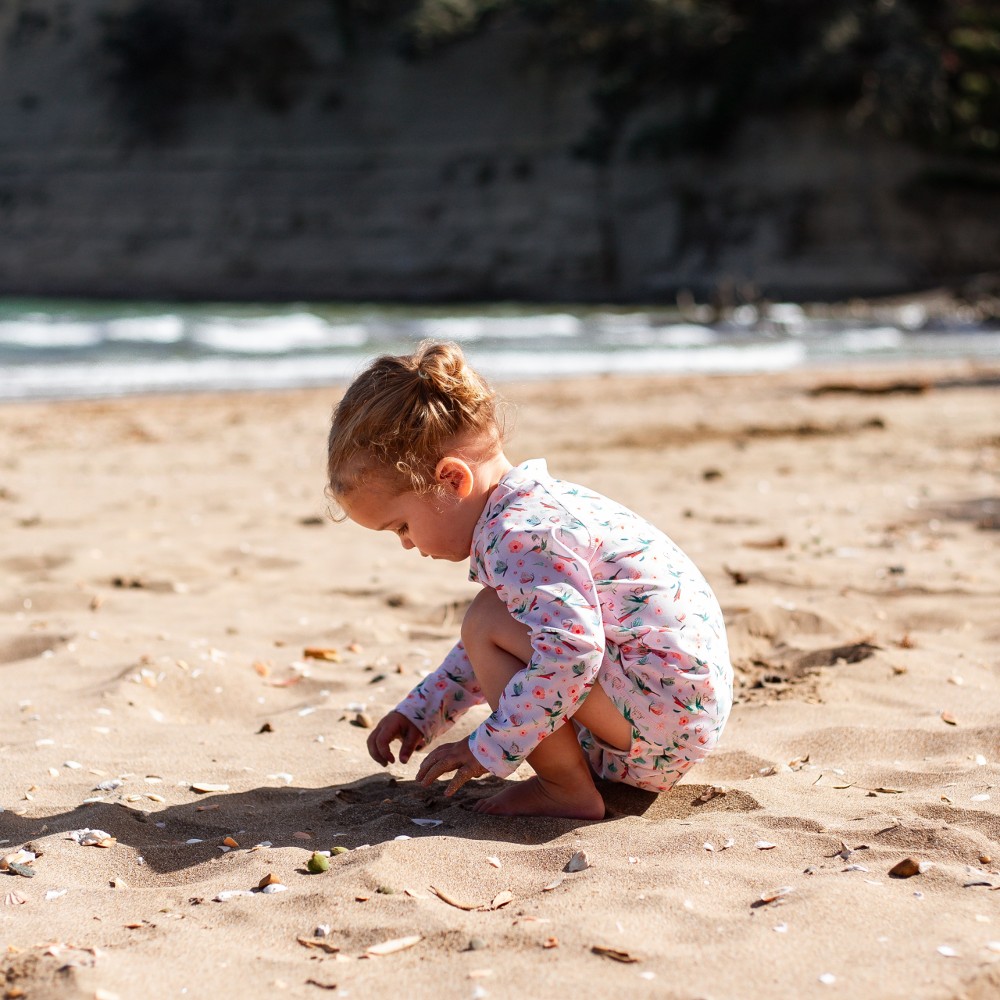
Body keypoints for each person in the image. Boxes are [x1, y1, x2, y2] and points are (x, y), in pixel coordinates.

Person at [326, 341, 733, 819]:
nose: (407, 544)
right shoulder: (531, 509)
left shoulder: (520, 535)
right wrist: (426, 709)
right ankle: (573, 773)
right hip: (675, 715)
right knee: (491, 621)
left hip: (662, 726)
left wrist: (488, 747)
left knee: (485, 621)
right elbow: (528, 637)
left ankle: (565, 789)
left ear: (452, 480)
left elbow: (570, 654)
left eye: (402, 526)